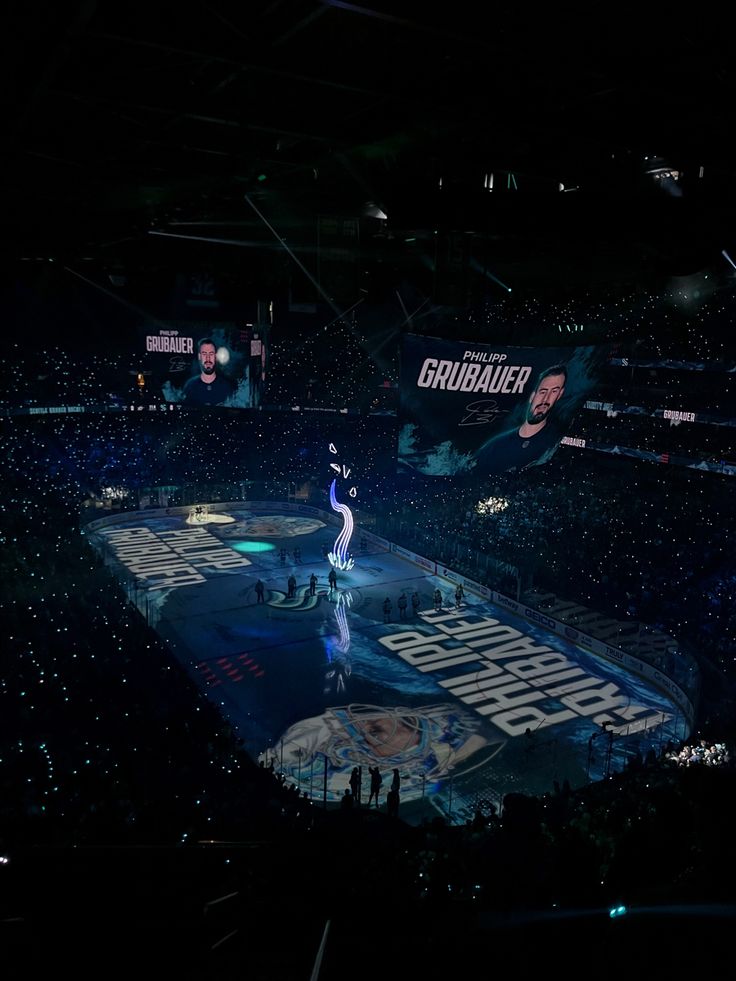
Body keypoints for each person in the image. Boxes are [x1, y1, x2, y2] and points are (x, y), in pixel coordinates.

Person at [474, 363, 568, 473]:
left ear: (560, 394)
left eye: (554, 391)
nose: (545, 399)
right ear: (532, 396)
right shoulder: (493, 447)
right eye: (543, 392)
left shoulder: (555, 442)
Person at [182, 337, 236, 406]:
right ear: (199, 356)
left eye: (211, 354)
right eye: (204, 354)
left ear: (215, 356)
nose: (208, 358)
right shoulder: (190, 386)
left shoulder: (227, 387)